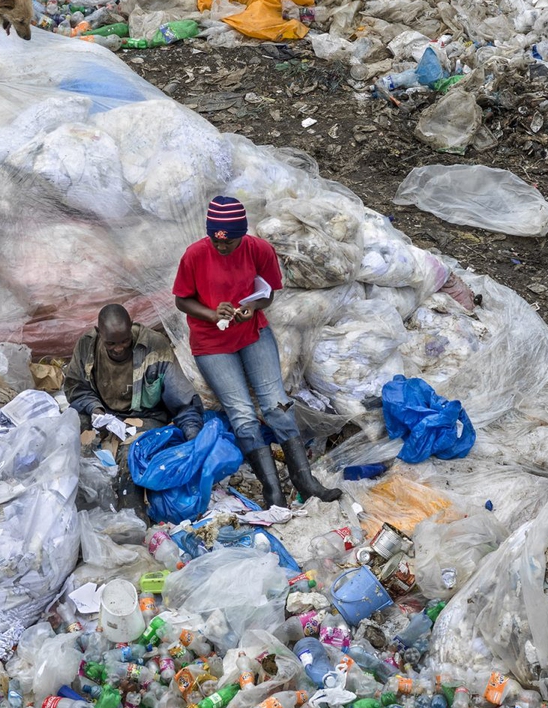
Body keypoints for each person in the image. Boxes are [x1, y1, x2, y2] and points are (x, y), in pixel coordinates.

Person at [173, 195, 341, 510]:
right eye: (216, 240)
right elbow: (182, 300)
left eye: (229, 241)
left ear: (242, 234)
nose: (222, 246)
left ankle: (305, 481)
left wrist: (252, 307)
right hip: (211, 342)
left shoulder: (259, 250)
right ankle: (272, 491)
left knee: (277, 405)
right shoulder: (195, 255)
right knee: (242, 414)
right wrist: (212, 313)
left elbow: (267, 293)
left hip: (252, 332)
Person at [62, 304, 204, 441]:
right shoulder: (87, 345)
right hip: (104, 412)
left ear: (131, 326)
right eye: (110, 343)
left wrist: (193, 435)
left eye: (125, 341)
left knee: (132, 449)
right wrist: (95, 409)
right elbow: (76, 388)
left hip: (145, 417)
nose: (119, 349)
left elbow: (182, 400)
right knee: (70, 432)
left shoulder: (155, 346)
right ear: (99, 333)